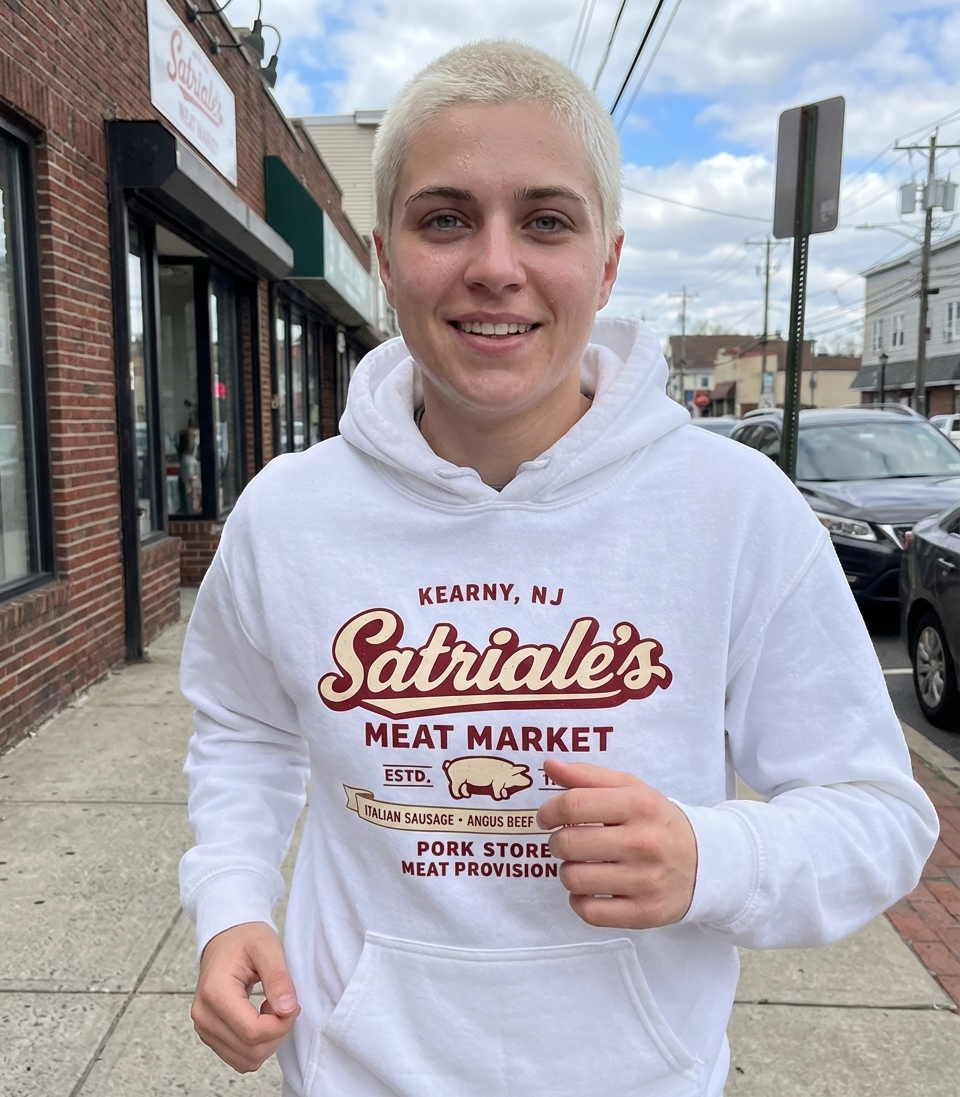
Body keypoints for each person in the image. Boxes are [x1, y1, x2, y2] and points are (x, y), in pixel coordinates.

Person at [179, 41, 938, 1097]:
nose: (496, 264)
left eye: (545, 220)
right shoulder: (290, 514)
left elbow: (879, 815)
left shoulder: (734, 510)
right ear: (386, 257)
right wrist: (231, 902)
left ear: (608, 262)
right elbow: (245, 728)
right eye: (446, 218)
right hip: (353, 1070)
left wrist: (709, 857)